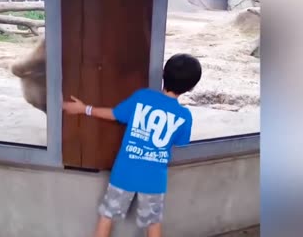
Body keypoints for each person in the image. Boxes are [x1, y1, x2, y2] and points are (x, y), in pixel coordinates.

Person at [62, 53, 202, 237]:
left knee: (107, 216)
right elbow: (181, 142)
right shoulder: (184, 116)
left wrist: (84, 109)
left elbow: (115, 114)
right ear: (191, 87)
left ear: (163, 74)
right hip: (154, 178)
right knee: (153, 224)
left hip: (124, 172)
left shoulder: (142, 97)